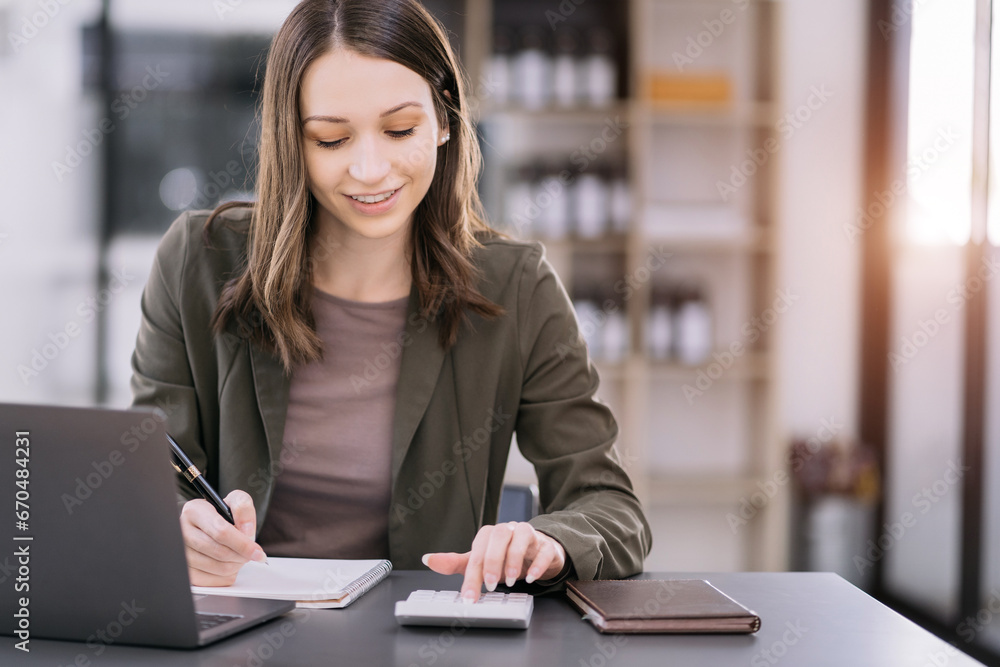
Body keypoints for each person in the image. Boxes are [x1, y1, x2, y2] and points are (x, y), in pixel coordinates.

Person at [129, 0, 651, 603]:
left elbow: (610, 506)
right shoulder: (198, 261)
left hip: (422, 640)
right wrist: (176, 526)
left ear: (446, 120)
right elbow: (146, 475)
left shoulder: (516, 288)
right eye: (330, 139)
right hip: (240, 630)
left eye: (400, 130)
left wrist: (552, 543)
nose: (369, 169)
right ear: (290, 141)